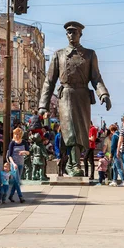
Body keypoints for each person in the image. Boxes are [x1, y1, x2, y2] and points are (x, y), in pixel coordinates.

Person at [38, 21, 112, 176]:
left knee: (81, 130)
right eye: (69, 32)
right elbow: (49, 81)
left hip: (83, 96)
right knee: (69, 129)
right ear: (66, 35)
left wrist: (104, 94)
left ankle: (72, 163)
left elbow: (96, 77)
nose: (72, 35)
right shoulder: (59, 54)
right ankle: (73, 164)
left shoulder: (89, 54)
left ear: (80, 34)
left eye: (75, 32)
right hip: (66, 95)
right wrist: (43, 105)